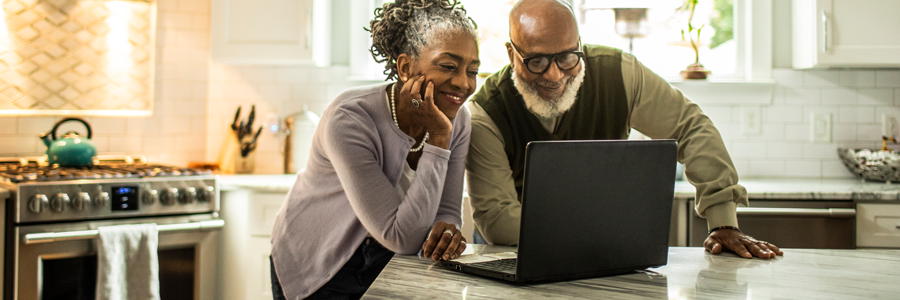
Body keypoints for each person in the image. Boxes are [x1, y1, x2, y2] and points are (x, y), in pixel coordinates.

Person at [465, 0, 783, 259]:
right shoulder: (484, 112)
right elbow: (499, 221)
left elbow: (690, 126)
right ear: (511, 54)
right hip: (514, 258)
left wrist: (723, 221)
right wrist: (610, 228)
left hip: (605, 253)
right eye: (536, 61)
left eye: (566, 57)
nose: (554, 75)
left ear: (580, 45)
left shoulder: (620, 74)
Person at [269, 0, 479, 298]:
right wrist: (439, 136)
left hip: (389, 259)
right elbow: (402, 237)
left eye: (472, 70)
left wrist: (445, 233)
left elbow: (445, 212)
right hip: (318, 259)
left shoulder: (458, 119)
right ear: (406, 67)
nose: (463, 83)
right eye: (448, 66)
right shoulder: (349, 119)